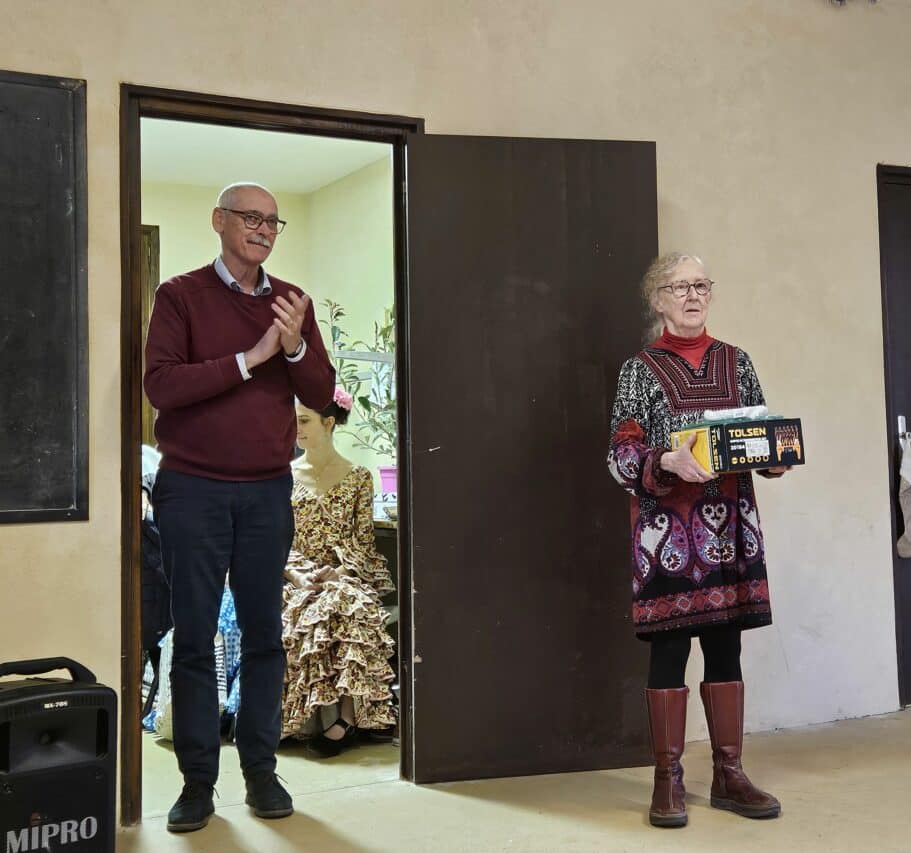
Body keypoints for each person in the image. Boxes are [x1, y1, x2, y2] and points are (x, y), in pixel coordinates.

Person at [144, 182, 335, 832]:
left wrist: (295, 347)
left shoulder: (291, 303)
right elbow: (162, 386)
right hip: (191, 490)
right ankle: (198, 783)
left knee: (264, 637)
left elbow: (323, 390)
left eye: (271, 221)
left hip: (264, 492)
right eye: (250, 218)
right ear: (219, 221)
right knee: (194, 638)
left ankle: (261, 771)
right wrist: (249, 358)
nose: (262, 229)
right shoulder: (179, 295)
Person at [607, 252, 789, 829]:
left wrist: (774, 459)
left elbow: (759, 430)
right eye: (679, 286)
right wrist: (666, 460)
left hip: (729, 532)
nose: (692, 295)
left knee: (726, 647)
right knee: (670, 650)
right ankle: (669, 777)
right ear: (657, 299)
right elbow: (620, 455)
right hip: (667, 539)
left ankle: (730, 774)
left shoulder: (738, 362)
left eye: (701, 285)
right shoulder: (639, 369)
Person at [280, 389, 395, 753]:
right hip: (295, 576)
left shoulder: (359, 477)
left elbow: (363, 541)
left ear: (329, 423)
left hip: (344, 574)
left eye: (304, 420)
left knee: (350, 604)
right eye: (295, 420)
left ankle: (345, 719)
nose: (296, 428)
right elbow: (275, 538)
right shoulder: (283, 475)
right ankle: (299, 718)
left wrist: (342, 571)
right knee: (307, 609)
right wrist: (298, 574)